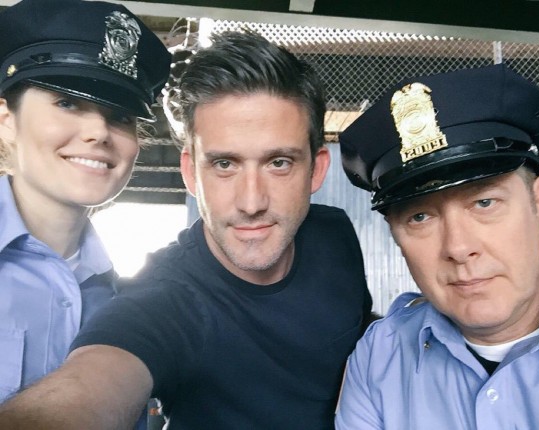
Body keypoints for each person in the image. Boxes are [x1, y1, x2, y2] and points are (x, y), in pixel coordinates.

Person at [0, 31, 373, 429]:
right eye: (224, 164)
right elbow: (90, 384)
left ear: (316, 169)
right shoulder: (161, 301)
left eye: (278, 163)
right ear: (191, 172)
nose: (251, 202)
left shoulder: (333, 233)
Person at [334, 64, 539, 429]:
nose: (458, 248)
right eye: (420, 217)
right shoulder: (380, 357)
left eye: (484, 203)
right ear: (395, 235)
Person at [0, 0, 171, 404]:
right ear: (6, 121)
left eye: (121, 115)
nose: (99, 131)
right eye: (67, 102)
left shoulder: (127, 301)